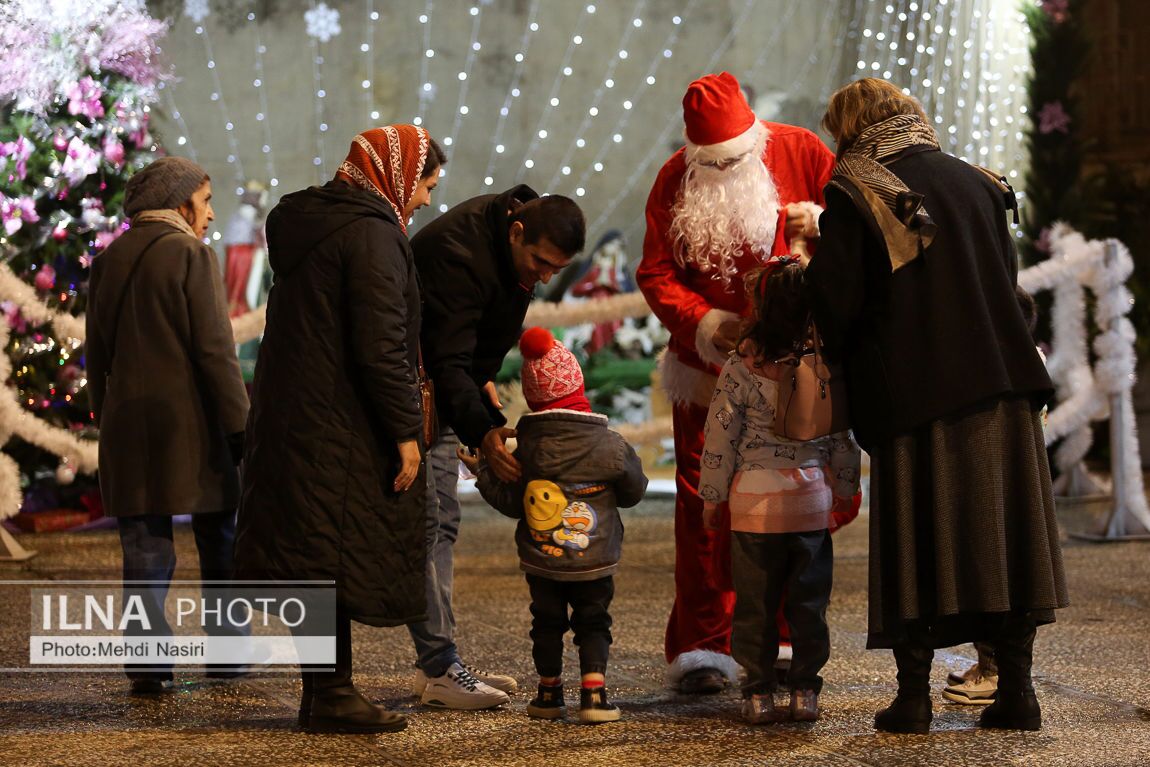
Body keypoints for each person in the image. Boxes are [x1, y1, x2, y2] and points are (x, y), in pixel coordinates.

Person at [805, 78, 1069, 733]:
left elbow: (835, 306)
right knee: (1007, 542)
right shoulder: (979, 180)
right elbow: (1006, 285)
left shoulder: (858, 188)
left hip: (919, 394)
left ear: (851, 128)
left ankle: (914, 699)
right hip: (1005, 385)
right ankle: (1018, 694)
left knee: (918, 545)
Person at [234, 125, 445, 734]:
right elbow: (381, 346)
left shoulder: (319, 222)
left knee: (317, 551)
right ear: (400, 172)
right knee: (331, 552)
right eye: (427, 183)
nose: (427, 199)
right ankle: (331, 694)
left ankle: (325, 691)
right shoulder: (372, 234)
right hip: (341, 422)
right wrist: (406, 432)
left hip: (300, 416)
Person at [636, 71, 839, 694]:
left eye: (734, 159)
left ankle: (781, 636)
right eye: (712, 163)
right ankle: (704, 644)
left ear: (756, 141)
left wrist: (816, 233)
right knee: (704, 503)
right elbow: (656, 270)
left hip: (791, 367)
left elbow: (851, 240)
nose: (724, 171)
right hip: (707, 374)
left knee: (793, 500)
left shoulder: (803, 151)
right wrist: (704, 324)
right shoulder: (674, 177)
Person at [407, 187, 587, 709]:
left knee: (439, 522)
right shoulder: (459, 253)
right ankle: (440, 666)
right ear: (516, 232)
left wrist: (482, 392)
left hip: (445, 388)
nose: (545, 276)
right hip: (420, 394)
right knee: (432, 522)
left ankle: (433, 662)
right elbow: (446, 358)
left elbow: (469, 354)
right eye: (540, 262)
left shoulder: (511, 240)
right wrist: (482, 430)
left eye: (556, 267)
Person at [86, 156, 250, 696]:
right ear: (180, 205)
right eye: (204, 202)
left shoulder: (109, 260)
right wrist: (240, 427)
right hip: (193, 429)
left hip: (128, 428)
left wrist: (104, 413)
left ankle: (148, 666)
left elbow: (97, 355)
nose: (209, 213)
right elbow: (214, 351)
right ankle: (225, 657)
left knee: (145, 548)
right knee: (219, 539)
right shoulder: (189, 255)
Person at [698, 258, 861, 724]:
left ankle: (757, 692)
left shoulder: (742, 365)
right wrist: (846, 486)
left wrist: (713, 497)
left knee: (755, 605)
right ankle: (806, 690)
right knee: (809, 604)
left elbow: (720, 435)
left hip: (754, 506)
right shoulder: (824, 363)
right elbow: (841, 434)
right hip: (810, 506)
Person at [471, 327, 648, 723]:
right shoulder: (611, 444)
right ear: (578, 390)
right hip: (595, 560)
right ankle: (594, 694)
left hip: (543, 561)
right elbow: (634, 492)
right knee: (594, 621)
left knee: (546, 623)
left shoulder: (526, 449)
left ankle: (549, 693)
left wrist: (484, 471)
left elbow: (510, 503)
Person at [942, 286, 1043, 708]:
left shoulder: (1001, 363)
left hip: (998, 479)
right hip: (1018, 482)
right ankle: (992, 666)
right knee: (1002, 572)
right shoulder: (1028, 357)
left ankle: (993, 670)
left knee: (992, 573)